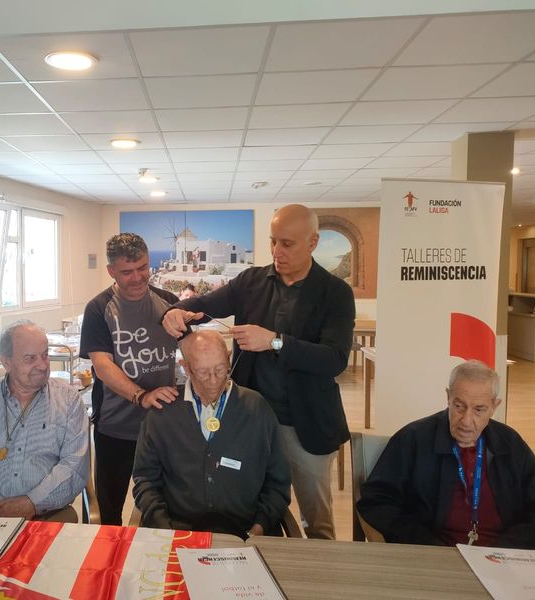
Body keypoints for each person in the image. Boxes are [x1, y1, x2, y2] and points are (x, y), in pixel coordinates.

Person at [162, 204, 354, 539]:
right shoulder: (252, 281)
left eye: (287, 244)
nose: (277, 252)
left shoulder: (335, 293)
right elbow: (204, 306)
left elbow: (334, 359)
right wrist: (176, 310)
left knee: (316, 522)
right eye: (273, 241)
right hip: (251, 420)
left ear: (312, 242)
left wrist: (275, 342)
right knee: (252, 505)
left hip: (307, 423)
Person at [357, 360, 535, 548]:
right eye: (459, 406)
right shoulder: (413, 439)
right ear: (448, 398)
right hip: (434, 554)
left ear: (494, 406)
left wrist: (505, 550)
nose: (466, 421)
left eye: (479, 409)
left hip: (502, 555)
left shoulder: (510, 444)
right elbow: (376, 502)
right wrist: (427, 545)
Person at [133, 330, 291, 538]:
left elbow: (278, 482)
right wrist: (166, 531)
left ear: (229, 359)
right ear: (186, 367)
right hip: (179, 532)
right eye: (203, 372)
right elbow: (145, 480)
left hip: (246, 532)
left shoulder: (257, 409)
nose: (214, 380)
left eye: (220, 369)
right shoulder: (163, 413)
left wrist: (259, 528)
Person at [80, 233, 180, 525]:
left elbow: (189, 350)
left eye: (143, 267)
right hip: (116, 426)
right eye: (127, 272)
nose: (137, 277)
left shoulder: (169, 303)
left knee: (163, 508)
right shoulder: (99, 308)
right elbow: (102, 366)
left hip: (162, 426)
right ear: (111, 271)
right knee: (109, 511)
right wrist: (141, 396)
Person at [0, 320, 88, 521]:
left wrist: (31, 503)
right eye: (30, 358)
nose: (42, 365)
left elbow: (74, 466)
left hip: (47, 515)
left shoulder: (68, 400)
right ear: (6, 362)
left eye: (45, 355)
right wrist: (0, 508)